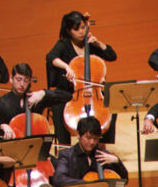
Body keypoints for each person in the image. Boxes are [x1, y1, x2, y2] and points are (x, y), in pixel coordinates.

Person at [44, 11, 117, 145]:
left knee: (112, 100)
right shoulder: (64, 44)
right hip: (71, 92)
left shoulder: (91, 44)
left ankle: (102, 143)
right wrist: (66, 67)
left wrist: (98, 43)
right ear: (68, 30)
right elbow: (51, 58)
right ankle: (64, 146)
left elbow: (112, 56)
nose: (81, 32)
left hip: (93, 92)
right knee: (58, 105)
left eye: (83, 27)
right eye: (76, 29)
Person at [0, 62, 48, 139]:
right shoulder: (1, 103)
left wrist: (43, 92)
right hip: (9, 146)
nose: (22, 84)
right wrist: (1, 126)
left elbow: (60, 95)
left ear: (30, 81)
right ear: (11, 79)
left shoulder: (35, 98)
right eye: (18, 79)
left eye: (26, 80)